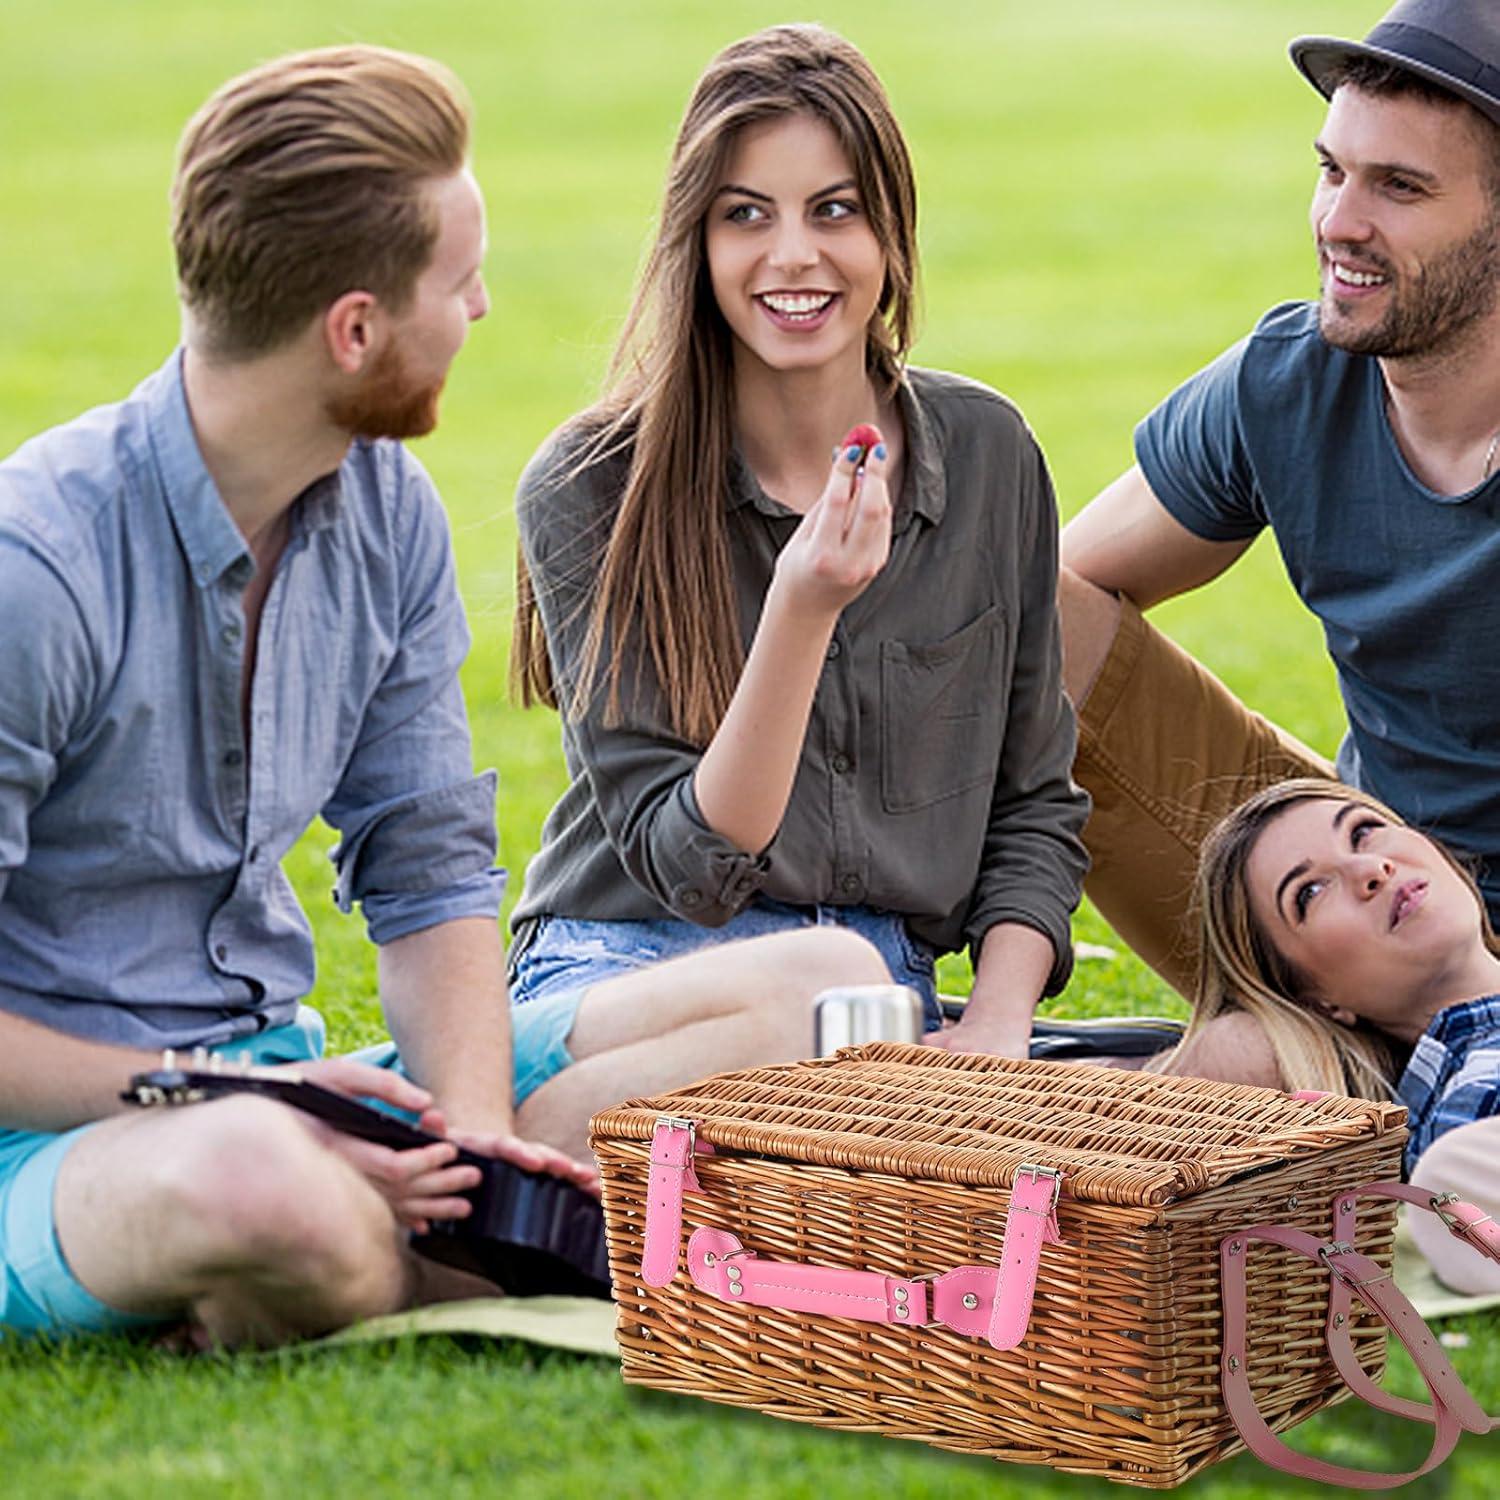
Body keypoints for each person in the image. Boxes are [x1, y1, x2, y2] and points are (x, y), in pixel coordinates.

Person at [0, 45, 853, 1349]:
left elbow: (429, 866)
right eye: (458, 284)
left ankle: (386, 1242)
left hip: (297, 1086)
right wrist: (225, 1101)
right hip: (77, 1137)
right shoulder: (38, 570)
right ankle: (328, 1234)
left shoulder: (384, 509)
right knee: (254, 1178)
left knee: (828, 987)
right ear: (355, 330)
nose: (482, 308)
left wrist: (477, 1146)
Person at [509, 24, 1089, 1062]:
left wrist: (998, 1027)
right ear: (696, 241)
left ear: (891, 232)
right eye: (746, 215)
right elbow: (688, 869)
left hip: (874, 1002)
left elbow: (1034, 805)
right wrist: (802, 606)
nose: (792, 255)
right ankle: (529, 1125)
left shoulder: (989, 455)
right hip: (629, 969)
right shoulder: (589, 486)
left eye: (835, 210)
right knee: (814, 1018)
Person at [1058, 0, 1500, 1048]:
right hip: (1366, 897)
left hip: (1438, 943)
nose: (1340, 222)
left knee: (1248, 1068)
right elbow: (1041, 606)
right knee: (1022, 622)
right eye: (1333, 171)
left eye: (1400, 187)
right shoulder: (1288, 384)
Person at [1160, 778, 1500, 1295]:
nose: (1370, 870)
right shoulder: (1465, 1112)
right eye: (1310, 892)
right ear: (1318, 999)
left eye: (1363, 832)